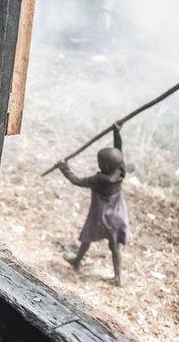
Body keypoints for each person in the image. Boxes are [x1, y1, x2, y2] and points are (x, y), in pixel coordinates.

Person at [55, 122, 130, 286]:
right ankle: (118, 278)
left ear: (104, 166)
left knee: (87, 236)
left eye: (99, 162)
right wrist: (116, 133)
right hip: (117, 213)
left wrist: (63, 167)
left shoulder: (99, 180)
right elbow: (119, 151)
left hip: (101, 213)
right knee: (115, 245)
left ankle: (76, 261)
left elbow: (76, 181)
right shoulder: (121, 170)